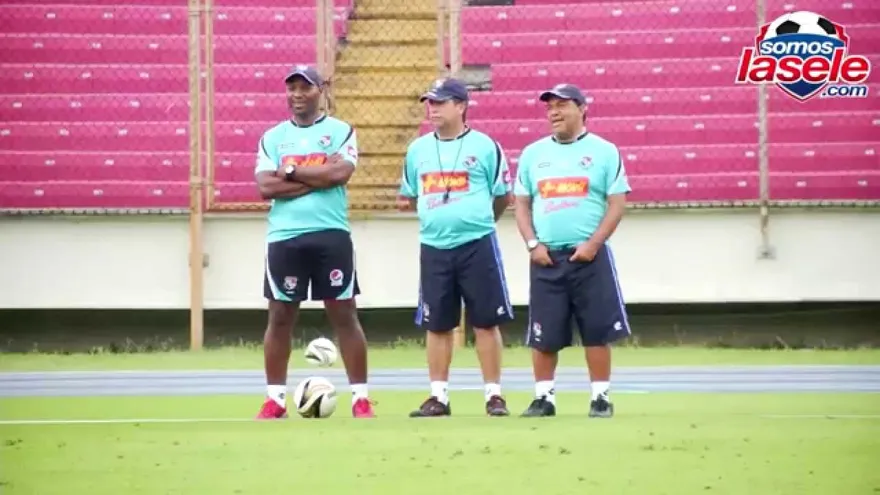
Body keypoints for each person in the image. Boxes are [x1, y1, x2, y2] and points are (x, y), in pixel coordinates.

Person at [253, 65, 374, 419]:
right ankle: (275, 400)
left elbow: (340, 173)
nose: (297, 94)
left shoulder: (341, 131)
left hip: (331, 235)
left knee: (344, 314)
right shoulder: (272, 137)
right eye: (291, 88)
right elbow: (265, 187)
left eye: (305, 88)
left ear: (320, 91)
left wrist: (288, 172)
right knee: (279, 316)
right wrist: (317, 176)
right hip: (284, 238)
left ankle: (361, 399)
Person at [513, 83, 632, 418]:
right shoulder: (533, 154)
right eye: (549, 106)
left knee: (596, 330)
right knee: (544, 333)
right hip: (546, 257)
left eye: (562, 105)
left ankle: (601, 398)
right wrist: (532, 244)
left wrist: (594, 244)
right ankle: (544, 398)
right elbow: (521, 203)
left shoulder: (605, 151)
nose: (554, 112)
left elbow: (617, 202)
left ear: (582, 108)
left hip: (590, 257)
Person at [397, 78, 514, 417]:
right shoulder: (418, 149)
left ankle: (494, 395)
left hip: (477, 244)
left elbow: (501, 194)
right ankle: (438, 396)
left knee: (486, 321)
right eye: (429, 102)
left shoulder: (485, 146)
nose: (431, 108)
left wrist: (476, 222)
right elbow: (410, 194)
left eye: (440, 102)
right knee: (437, 323)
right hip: (434, 246)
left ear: (461, 106)